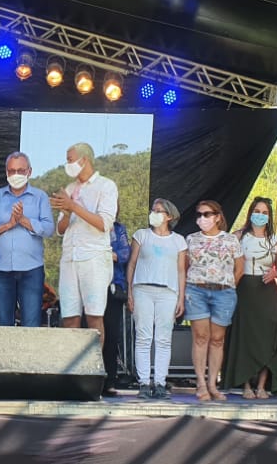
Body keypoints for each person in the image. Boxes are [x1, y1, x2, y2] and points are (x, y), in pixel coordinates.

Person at [221, 197, 277, 399]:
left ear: (269, 216)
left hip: (267, 292)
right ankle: (245, 385)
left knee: (268, 337)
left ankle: (262, 385)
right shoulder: (238, 236)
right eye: (257, 211)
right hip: (244, 290)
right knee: (245, 336)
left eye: (264, 212)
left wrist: (275, 273)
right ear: (250, 213)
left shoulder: (276, 241)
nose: (260, 215)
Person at [51, 142, 118, 344]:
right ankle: (72, 371)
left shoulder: (106, 186)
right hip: (70, 258)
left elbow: (104, 223)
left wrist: (73, 206)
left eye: (70, 160)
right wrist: (66, 212)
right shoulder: (70, 188)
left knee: (94, 316)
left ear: (84, 160)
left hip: (94, 259)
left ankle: (94, 372)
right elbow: (60, 229)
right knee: (69, 317)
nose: (67, 164)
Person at [0, 152, 55, 327]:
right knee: (4, 324)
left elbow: (49, 228)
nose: (16, 175)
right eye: (11, 170)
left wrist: (23, 220)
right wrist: (8, 224)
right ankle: (4, 356)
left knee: (31, 323)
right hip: (0, 269)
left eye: (20, 170)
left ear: (29, 171)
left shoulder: (40, 197)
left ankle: (29, 356)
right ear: (6, 172)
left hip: (31, 269)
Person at [126, 199, 186, 399]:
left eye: (159, 211)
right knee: (143, 337)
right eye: (153, 210)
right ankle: (143, 383)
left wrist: (181, 298)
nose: (155, 213)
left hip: (168, 292)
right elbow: (132, 264)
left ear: (169, 216)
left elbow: (181, 271)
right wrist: (129, 291)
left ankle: (160, 382)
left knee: (163, 339)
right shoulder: (141, 235)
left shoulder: (178, 240)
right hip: (142, 289)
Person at [185, 200, 243, 401]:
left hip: (224, 292)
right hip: (196, 290)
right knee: (201, 337)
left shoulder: (231, 240)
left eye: (207, 214)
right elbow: (183, 266)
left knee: (218, 340)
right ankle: (201, 383)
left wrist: (227, 285)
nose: (202, 218)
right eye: (199, 214)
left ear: (218, 217)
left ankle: (212, 383)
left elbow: (240, 267)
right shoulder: (190, 239)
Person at [103, 206, 130, 397]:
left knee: (111, 335)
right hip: (88, 284)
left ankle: (109, 380)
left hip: (113, 286)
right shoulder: (85, 225)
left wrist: (105, 254)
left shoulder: (119, 229)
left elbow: (124, 254)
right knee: (90, 334)